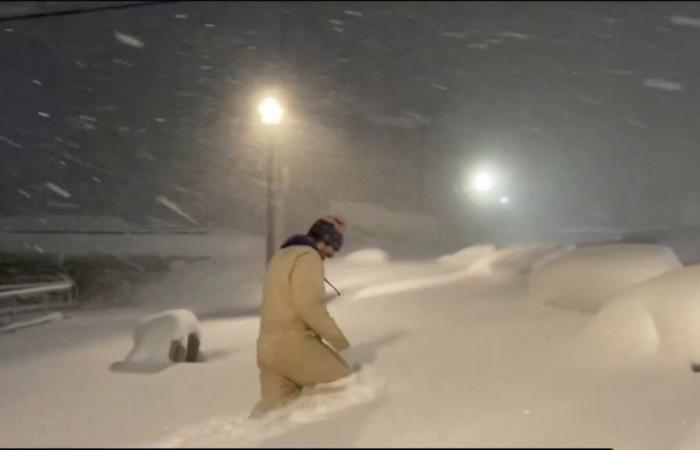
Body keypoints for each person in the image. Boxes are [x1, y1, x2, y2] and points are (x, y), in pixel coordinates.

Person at [250, 215, 353, 418]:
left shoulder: (280, 257)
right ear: (323, 238)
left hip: (266, 349)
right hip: (293, 345)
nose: (332, 253)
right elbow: (310, 308)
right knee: (347, 387)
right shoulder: (308, 258)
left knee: (271, 417)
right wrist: (342, 344)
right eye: (332, 246)